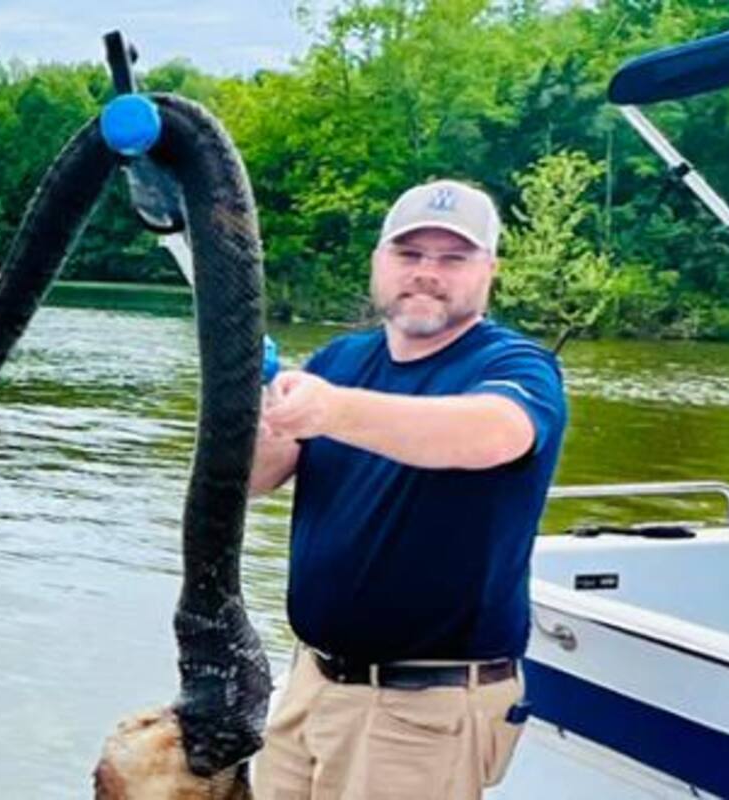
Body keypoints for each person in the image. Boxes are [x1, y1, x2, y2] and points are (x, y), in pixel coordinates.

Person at [250, 179, 567, 800]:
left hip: (424, 709)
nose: (427, 272)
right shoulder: (340, 361)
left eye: (453, 257)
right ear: (379, 261)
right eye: (410, 253)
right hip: (310, 684)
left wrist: (332, 410)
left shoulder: (516, 366)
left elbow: (494, 433)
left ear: (490, 270)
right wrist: (254, 406)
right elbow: (255, 480)